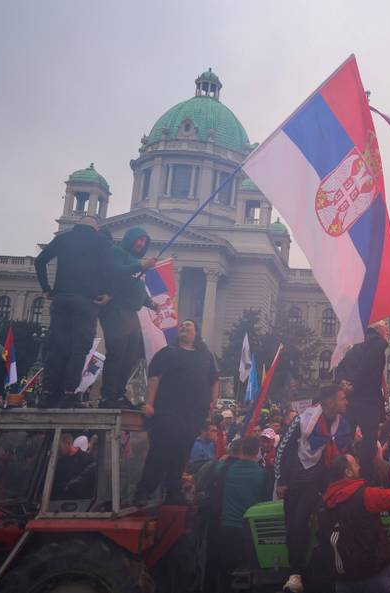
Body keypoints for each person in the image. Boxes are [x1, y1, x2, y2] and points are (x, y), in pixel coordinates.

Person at [275, 384, 352, 593]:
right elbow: (282, 448)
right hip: (300, 482)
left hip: (326, 483)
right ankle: (295, 573)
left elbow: (345, 451)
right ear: (329, 402)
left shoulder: (342, 425)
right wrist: (281, 480)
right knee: (297, 525)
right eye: (342, 398)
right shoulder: (302, 421)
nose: (346, 402)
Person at [34, 215, 115, 408]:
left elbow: (40, 261)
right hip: (86, 302)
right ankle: (69, 394)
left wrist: (46, 288)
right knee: (79, 349)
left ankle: (47, 394)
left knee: (57, 347)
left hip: (61, 298)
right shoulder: (101, 241)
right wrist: (108, 293)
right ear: (95, 228)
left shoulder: (64, 238)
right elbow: (110, 269)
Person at [135, 320, 219, 504]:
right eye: (182, 325)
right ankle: (144, 490)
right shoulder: (168, 353)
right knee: (160, 452)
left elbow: (214, 381)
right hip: (168, 411)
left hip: (193, 416)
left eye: (189, 325)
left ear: (196, 332)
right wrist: (149, 403)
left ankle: (173, 492)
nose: (184, 327)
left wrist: (212, 402)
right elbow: (154, 378)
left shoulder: (205, 356)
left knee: (181, 454)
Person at [321, 445, 390, 593]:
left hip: (343, 580)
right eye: (354, 463)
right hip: (374, 576)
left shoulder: (325, 503)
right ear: (348, 472)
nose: (358, 465)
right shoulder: (366, 496)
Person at [99, 227, 157, 409]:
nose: (141, 244)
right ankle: (108, 395)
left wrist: (151, 303)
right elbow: (116, 272)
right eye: (138, 240)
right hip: (116, 309)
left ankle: (118, 393)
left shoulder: (136, 262)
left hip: (131, 312)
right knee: (117, 352)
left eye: (144, 241)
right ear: (130, 239)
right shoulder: (118, 253)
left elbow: (136, 287)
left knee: (130, 354)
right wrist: (141, 266)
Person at [206, 436, 266, 593]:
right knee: (251, 576)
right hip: (251, 532)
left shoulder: (226, 469)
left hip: (227, 528)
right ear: (257, 451)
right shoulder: (263, 474)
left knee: (226, 574)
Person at [336, 321, 388, 473]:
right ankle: (365, 474)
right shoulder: (378, 344)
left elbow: (340, 368)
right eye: (386, 328)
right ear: (378, 329)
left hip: (351, 402)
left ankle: (345, 470)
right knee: (369, 442)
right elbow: (368, 369)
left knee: (345, 439)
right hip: (368, 401)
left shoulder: (353, 347)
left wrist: (343, 383)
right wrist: (354, 386)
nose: (388, 331)